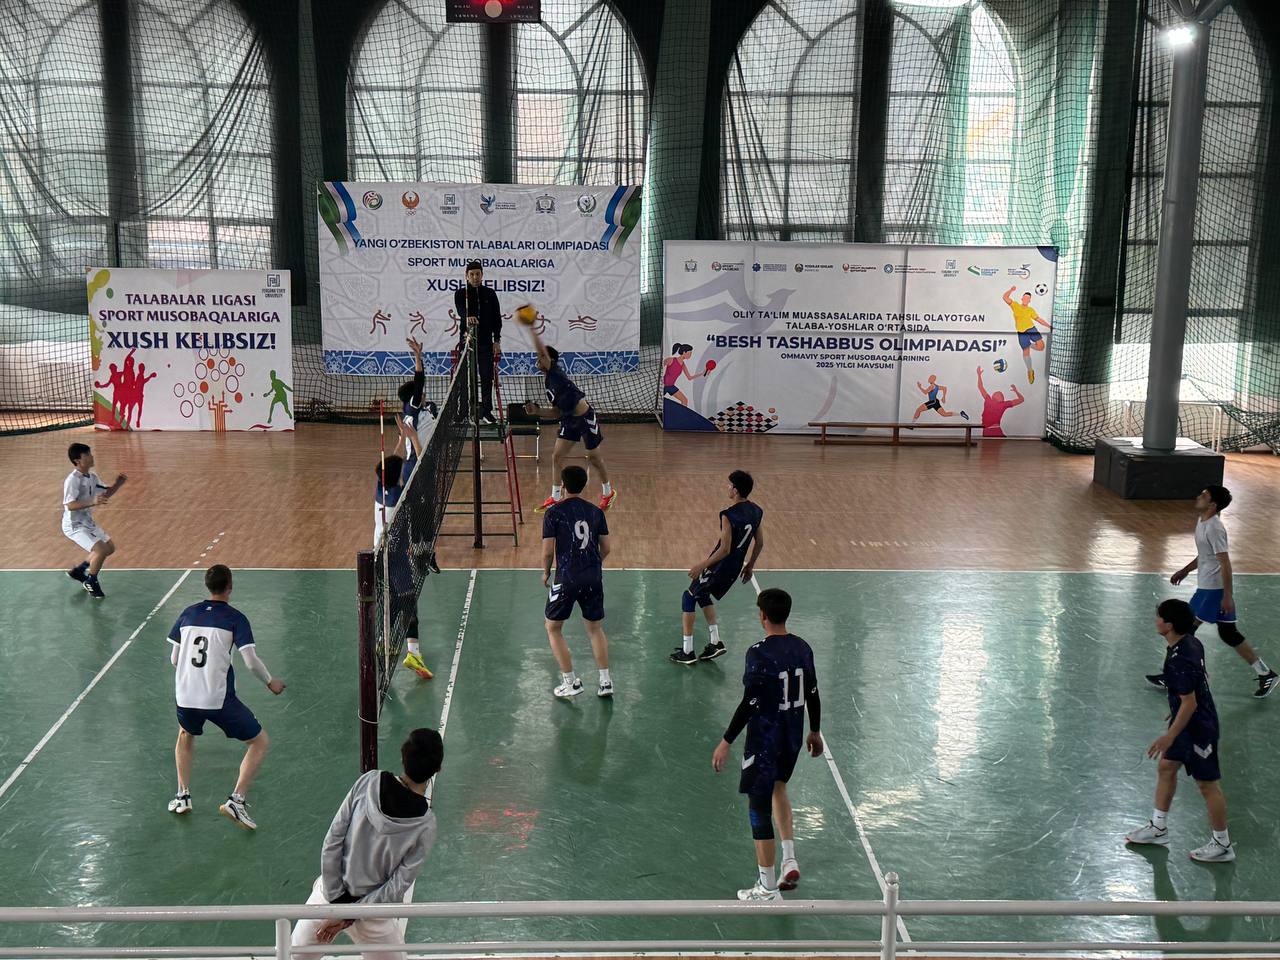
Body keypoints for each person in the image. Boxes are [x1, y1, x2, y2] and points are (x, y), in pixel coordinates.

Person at [291, 728, 443, 960]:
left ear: (403, 755)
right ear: (437, 769)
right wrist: (351, 913)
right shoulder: (426, 825)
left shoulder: (368, 782)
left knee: (293, 956)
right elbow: (398, 884)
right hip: (372, 916)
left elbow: (332, 840)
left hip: (329, 896)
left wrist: (338, 903)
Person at [712, 588, 822, 900]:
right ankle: (789, 859)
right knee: (779, 787)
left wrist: (726, 741)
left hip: (764, 741)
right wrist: (814, 731)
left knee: (758, 807)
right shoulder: (802, 647)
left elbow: (751, 701)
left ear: (762, 616)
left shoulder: (758, 653)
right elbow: (813, 693)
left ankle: (767, 887)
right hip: (792, 736)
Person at [166, 564, 286, 830]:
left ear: (207, 585)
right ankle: (237, 800)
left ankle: (182, 796)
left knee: (185, 734)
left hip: (185, 695)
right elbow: (250, 661)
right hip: (217, 699)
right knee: (259, 742)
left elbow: (174, 659)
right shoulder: (235, 618)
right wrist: (270, 682)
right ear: (230, 586)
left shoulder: (188, 613)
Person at [1125, 599, 1234, 863]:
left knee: (1207, 784)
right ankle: (1158, 828)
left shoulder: (1179, 659)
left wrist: (1169, 735)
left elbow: (1190, 702)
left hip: (1198, 728)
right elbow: (1198, 682)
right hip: (1185, 721)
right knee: (1166, 767)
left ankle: (1222, 845)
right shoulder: (1189, 642)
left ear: (1169, 624)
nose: (1155, 620)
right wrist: (1175, 708)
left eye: (1159, 617)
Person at [1147, 485, 1277, 698]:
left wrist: (1227, 596)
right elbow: (1205, 555)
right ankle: (1265, 673)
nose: (1199, 496)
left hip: (1213, 590)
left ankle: (1172, 677)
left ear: (1213, 504)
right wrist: (1185, 570)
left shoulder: (1215, 528)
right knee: (1229, 633)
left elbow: (1225, 562)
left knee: (1181, 630)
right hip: (1208, 587)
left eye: (1204, 495)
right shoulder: (1203, 522)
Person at [671, 470, 764, 665]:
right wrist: (750, 566)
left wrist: (701, 565)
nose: (727, 487)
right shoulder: (756, 511)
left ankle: (688, 651)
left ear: (736, 490)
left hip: (720, 566)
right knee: (702, 594)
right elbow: (760, 542)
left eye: (729, 485)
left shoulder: (728, 515)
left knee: (688, 597)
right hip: (735, 567)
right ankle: (715, 642)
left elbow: (724, 549)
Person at [523, 324, 615, 512]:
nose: (537, 360)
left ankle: (608, 492)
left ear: (549, 359)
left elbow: (542, 350)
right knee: (557, 456)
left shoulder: (555, 371)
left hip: (585, 418)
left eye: (541, 357)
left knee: (594, 458)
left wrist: (531, 328)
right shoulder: (548, 382)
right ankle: (556, 497)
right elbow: (556, 412)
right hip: (569, 420)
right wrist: (537, 411)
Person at [542, 465, 613, 699]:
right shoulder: (596, 512)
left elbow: (548, 552)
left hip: (567, 577)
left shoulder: (553, 513)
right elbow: (606, 548)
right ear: (584, 485)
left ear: (563, 485)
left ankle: (570, 682)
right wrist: (592, 565)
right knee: (595, 629)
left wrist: (546, 572)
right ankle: (605, 682)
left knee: (553, 627)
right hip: (593, 576)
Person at [62, 442, 127, 599]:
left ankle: (80, 570)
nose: (92, 457)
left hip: (87, 522)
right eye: (87, 455)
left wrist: (117, 484)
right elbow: (70, 505)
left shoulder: (92, 477)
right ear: (78, 460)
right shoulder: (73, 480)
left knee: (109, 548)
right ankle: (91, 581)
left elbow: (104, 495)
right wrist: (92, 502)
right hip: (74, 525)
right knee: (100, 550)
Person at [454, 260, 501, 425]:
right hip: (467, 344)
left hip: (486, 344)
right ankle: (463, 412)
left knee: (487, 378)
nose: (475, 277)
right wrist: (468, 316)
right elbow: (461, 311)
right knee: (466, 380)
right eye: (472, 274)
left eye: (477, 274)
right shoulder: (461, 294)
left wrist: (497, 340)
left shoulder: (490, 294)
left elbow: (497, 318)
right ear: (466, 276)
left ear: (482, 275)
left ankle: (487, 412)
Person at [1002, 286, 1052, 385]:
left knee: (1041, 346)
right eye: (1024, 297)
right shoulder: (1015, 305)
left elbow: (1039, 319)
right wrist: (1011, 290)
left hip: (1031, 329)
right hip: (1022, 332)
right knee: (1026, 352)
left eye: (1028, 298)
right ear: (1022, 299)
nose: (1026, 299)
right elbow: (1005, 297)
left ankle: (1028, 344)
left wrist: (1049, 326)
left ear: (1029, 301)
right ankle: (1030, 371)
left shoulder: (1030, 310)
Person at [975, 366, 1024, 438]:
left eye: (1001, 394)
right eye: (998, 393)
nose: (1001, 394)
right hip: (988, 430)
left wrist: (1016, 391)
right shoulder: (989, 400)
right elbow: (980, 387)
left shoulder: (1003, 404)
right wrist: (979, 375)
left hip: (995, 429)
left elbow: (1021, 400)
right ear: (993, 396)